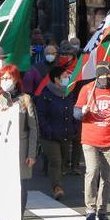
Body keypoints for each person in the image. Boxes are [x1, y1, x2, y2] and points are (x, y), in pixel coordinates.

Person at [74, 62, 110, 220]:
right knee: (92, 172)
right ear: (97, 76)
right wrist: (82, 112)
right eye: (102, 76)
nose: (106, 79)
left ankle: (102, 209)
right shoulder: (87, 89)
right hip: (90, 139)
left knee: (107, 177)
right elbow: (76, 112)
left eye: (109, 76)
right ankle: (90, 209)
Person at [0, 64, 37, 220]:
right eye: (3, 78)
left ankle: (18, 219)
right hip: (1, 151)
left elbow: (33, 128)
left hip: (21, 152)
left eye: (8, 78)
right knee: (2, 187)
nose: (5, 81)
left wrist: (31, 154)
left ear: (16, 79)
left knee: (21, 189)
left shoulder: (25, 99)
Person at [35, 65, 78, 200]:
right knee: (56, 161)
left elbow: (74, 113)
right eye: (64, 76)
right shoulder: (46, 95)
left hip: (66, 134)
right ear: (56, 79)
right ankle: (57, 187)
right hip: (49, 136)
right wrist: (48, 130)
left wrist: (75, 128)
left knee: (63, 161)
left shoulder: (69, 94)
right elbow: (41, 115)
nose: (67, 78)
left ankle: (57, 181)